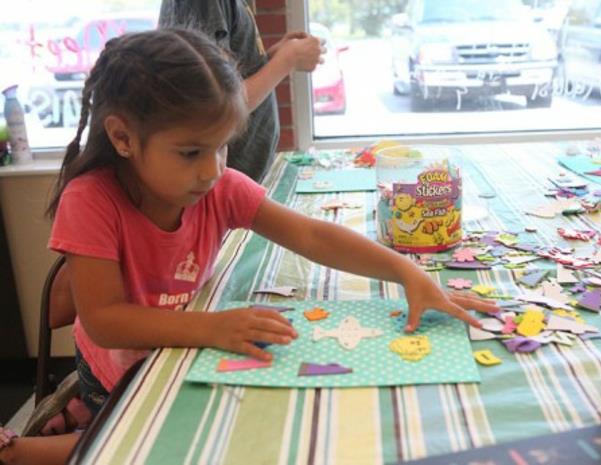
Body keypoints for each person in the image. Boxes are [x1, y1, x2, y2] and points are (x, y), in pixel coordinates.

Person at [0, 27, 497, 465]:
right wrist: (211, 326)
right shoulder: (92, 199)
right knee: (160, 443)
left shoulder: (216, 186)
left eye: (222, 146)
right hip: (116, 357)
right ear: (123, 138)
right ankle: (27, 449)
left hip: (180, 339)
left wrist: (408, 273)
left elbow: (311, 234)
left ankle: (86, 414)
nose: (212, 169)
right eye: (192, 152)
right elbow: (106, 320)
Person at [158, 0, 325, 182]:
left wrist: (267, 60)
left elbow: (227, 78)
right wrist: (287, 59)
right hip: (218, 181)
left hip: (238, 177)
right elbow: (214, 103)